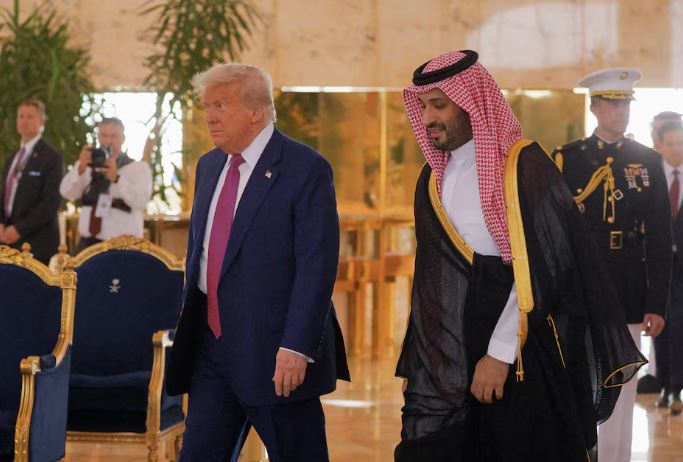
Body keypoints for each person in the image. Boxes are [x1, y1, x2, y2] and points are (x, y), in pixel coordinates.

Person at [395, 50, 644, 462]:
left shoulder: (524, 166)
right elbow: (431, 278)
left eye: (439, 105)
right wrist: (422, 360)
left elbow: (545, 266)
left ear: (472, 103)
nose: (428, 118)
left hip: (521, 347)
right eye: (422, 106)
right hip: (450, 352)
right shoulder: (431, 177)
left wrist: (499, 354)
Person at [166, 63, 350, 462]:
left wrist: (296, 346)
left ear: (256, 110)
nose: (209, 116)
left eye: (220, 105)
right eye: (206, 106)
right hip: (210, 351)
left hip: (276, 355)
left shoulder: (305, 169)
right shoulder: (209, 166)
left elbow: (316, 267)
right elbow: (202, 255)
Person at [552, 68, 672, 462]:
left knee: (624, 384)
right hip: (582, 285)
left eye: (625, 104)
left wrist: (657, 303)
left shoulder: (647, 160)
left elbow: (659, 238)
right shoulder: (568, 159)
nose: (620, 111)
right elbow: (555, 233)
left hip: (627, 284)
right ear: (595, 107)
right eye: (612, 104)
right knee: (582, 379)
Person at [59, 117, 152, 253]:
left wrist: (117, 178)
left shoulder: (138, 168)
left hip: (123, 245)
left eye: (114, 136)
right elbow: (66, 192)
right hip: (87, 244)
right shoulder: (87, 166)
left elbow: (141, 201)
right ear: (98, 137)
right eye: (104, 135)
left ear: (123, 138)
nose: (108, 141)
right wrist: (79, 170)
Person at [0, 99, 64, 264]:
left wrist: (19, 229)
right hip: (6, 240)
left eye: (30, 116)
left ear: (42, 122)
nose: (24, 121)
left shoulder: (51, 158)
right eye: (21, 116)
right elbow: (4, 193)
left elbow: (50, 202)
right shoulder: (12, 157)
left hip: (36, 242)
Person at [651, 122, 683, 415]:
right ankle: (663, 383)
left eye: (681, 143)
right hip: (657, 264)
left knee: (680, 324)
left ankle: (676, 388)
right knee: (661, 323)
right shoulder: (650, 175)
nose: (677, 149)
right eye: (671, 143)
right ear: (660, 145)